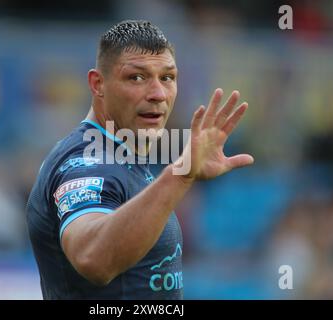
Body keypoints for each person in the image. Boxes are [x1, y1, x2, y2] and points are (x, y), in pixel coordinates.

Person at [26, 20, 254, 299]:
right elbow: (92, 258)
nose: (158, 94)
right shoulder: (86, 161)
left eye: (167, 78)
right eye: (137, 77)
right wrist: (181, 174)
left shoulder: (124, 157)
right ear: (98, 84)